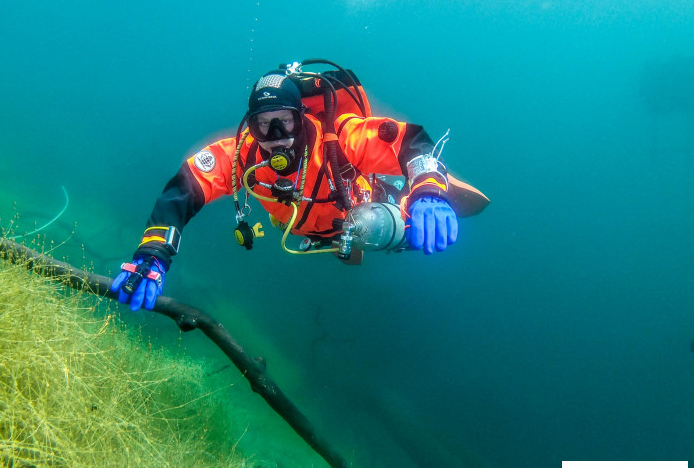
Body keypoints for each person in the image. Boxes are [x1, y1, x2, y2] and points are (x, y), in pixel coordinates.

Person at [112, 60, 489, 311]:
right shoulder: (243, 156)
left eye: (286, 122)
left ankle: (399, 200)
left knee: (388, 221)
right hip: (301, 225)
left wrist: (427, 190)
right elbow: (184, 188)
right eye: (264, 125)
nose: (276, 136)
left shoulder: (339, 138)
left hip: (355, 210)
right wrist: (153, 253)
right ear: (250, 125)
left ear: (302, 117)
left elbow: (409, 141)